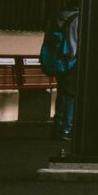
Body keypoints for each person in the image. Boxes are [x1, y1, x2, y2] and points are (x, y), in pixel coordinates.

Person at [39, 7, 81, 138]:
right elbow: (76, 42)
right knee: (71, 96)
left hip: (57, 61)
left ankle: (57, 125)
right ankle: (67, 128)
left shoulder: (55, 17)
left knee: (62, 93)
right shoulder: (77, 18)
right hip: (70, 62)